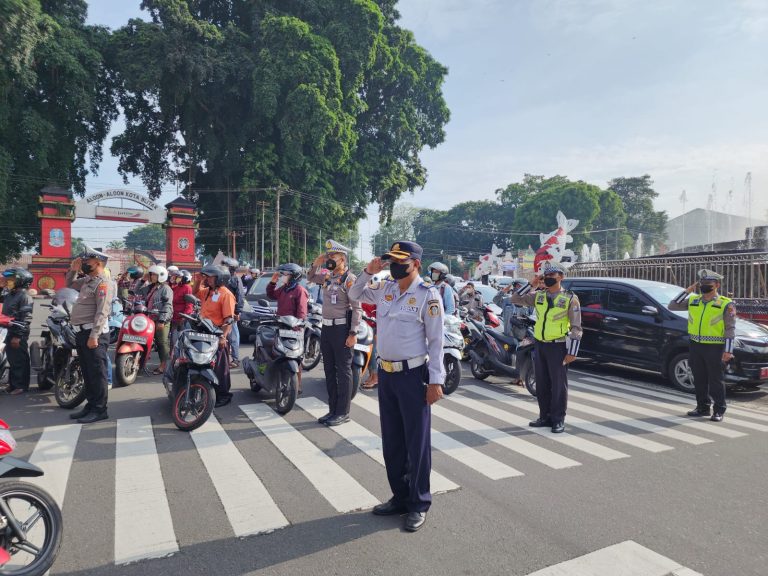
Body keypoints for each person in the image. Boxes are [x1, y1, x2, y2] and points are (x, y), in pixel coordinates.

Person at [349, 240, 444, 533]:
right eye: (391, 259)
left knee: (416, 444)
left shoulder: (428, 296)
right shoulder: (386, 289)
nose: (393, 264)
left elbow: (436, 341)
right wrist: (368, 271)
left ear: (415, 263)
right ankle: (400, 497)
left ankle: (418, 503)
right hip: (387, 375)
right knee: (392, 441)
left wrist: (436, 381)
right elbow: (353, 294)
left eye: (399, 260)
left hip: (412, 376)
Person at [510, 262, 582, 434]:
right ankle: (544, 417)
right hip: (540, 345)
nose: (548, 278)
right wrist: (531, 284)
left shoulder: (570, 298)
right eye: (546, 276)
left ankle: (558, 420)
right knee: (542, 383)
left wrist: (572, 352)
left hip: (558, 347)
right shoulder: (539, 296)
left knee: (558, 385)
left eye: (552, 275)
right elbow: (515, 299)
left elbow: (576, 328)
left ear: (561, 277)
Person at [308, 239, 362, 426]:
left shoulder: (349, 279)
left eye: (334, 256)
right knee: (329, 370)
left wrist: (353, 333)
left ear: (343, 259)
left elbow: (357, 308)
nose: (330, 259)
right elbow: (310, 278)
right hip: (327, 328)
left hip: (342, 329)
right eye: (328, 255)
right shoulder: (327, 277)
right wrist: (317, 262)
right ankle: (332, 410)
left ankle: (343, 412)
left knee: (343, 371)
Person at [668, 269, 735, 422]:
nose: (704, 286)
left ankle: (719, 410)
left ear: (717, 285)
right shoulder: (694, 300)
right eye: (702, 283)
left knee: (715, 380)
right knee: (699, 378)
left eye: (708, 284)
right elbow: (672, 306)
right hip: (695, 345)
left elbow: (730, 328)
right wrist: (686, 291)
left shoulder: (725, 304)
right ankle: (702, 407)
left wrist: (728, 350)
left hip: (715, 347)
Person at [65, 247, 115, 423]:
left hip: (94, 334)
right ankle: (91, 405)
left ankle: (100, 409)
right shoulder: (88, 281)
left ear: (98, 262)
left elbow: (103, 311)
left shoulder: (103, 283)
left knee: (97, 372)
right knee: (87, 372)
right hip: (81, 332)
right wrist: (73, 269)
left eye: (87, 261)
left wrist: (94, 335)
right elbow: (69, 284)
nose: (84, 263)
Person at [192, 265, 236, 407]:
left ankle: (223, 395)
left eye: (211, 277)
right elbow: (195, 294)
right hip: (203, 331)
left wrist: (223, 337)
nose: (208, 279)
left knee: (220, 366)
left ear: (220, 278)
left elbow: (229, 318)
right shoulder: (208, 292)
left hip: (217, 333)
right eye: (208, 276)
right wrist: (198, 280)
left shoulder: (226, 294)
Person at [266, 263, 309, 394]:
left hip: (294, 329)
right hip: (281, 326)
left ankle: (298, 385)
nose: (283, 277)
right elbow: (271, 295)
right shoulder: (284, 288)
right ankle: (278, 380)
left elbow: (302, 313)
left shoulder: (300, 291)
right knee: (278, 353)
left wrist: (297, 327)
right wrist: (273, 281)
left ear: (293, 276)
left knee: (296, 357)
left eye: (285, 274)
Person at [1, 268, 34, 395]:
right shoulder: (10, 294)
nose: (8, 282)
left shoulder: (25, 297)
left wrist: (18, 336)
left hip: (18, 332)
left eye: (11, 280)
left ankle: (21, 386)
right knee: (12, 359)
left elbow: (26, 318)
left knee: (20, 359)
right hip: (8, 330)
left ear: (20, 281)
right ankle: (13, 384)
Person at [139, 265, 173, 375]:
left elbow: (167, 306)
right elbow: (136, 291)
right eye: (151, 274)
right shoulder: (151, 287)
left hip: (160, 320)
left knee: (161, 343)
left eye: (153, 274)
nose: (151, 276)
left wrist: (162, 321)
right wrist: (142, 280)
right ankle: (139, 363)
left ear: (161, 276)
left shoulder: (166, 289)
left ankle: (164, 366)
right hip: (149, 319)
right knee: (143, 340)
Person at [221, 256, 245, 368]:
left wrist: (238, 311)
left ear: (232, 268)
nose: (223, 267)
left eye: (226, 266)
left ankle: (235, 359)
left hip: (231, 311)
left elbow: (240, 296)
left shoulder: (236, 279)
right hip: (220, 310)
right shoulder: (222, 278)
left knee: (233, 335)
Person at [170, 269, 194, 345]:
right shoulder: (177, 287)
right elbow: (170, 292)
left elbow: (189, 305)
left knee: (178, 339)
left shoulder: (187, 288)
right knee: (172, 339)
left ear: (184, 278)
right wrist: (171, 282)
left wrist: (184, 317)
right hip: (173, 316)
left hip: (181, 318)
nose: (177, 279)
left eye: (179, 277)